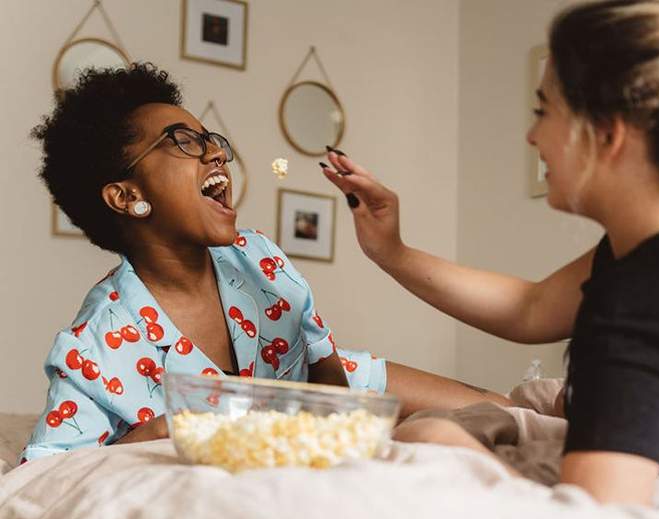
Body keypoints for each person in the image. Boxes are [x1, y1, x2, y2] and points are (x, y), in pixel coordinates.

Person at [322, 0, 659, 505]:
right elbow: (530, 306)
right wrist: (391, 251)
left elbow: (596, 513)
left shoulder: (641, 307)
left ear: (608, 134)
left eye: (542, 111)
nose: (531, 136)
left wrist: (450, 448)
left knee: (426, 436)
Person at [22, 64, 510, 463]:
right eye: (184, 141)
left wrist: (354, 441)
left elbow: (329, 376)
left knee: (509, 413)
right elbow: (40, 479)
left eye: (210, 139)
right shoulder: (93, 348)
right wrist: (158, 432)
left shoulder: (258, 258)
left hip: (325, 392)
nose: (216, 152)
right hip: (270, 434)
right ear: (127, 195)